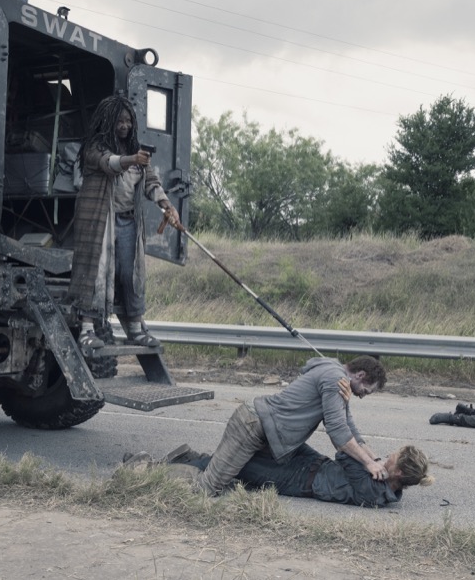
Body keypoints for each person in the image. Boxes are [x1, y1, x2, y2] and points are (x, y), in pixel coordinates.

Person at [66, 95, 182, 349]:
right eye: (120, 121)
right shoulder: (94, 147)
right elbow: (109, 164)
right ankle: (86, 330)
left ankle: (136, 329)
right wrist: (132, 160)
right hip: (100, 221)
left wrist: (167, 205)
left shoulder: (135, 149)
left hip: (128, 221)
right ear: (108, 121)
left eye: (128, 121)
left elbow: (151, 182)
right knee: (93, 273)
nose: (125, 126)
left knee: (131, 274)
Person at [194, 355, 387, 496]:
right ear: (360, 375)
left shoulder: (336, 376)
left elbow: (347, 425)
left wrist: (375, 459)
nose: (362, 395)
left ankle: (190, 461)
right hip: (252, 426)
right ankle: (170, 476)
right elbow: (338, 433)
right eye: (366, 391)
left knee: (230, 479)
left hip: (266, 432)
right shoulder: (334, 378)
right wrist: (368, 464)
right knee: (208, 488)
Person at [169, 442, 434, 508]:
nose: (387, 456)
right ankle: (195, 458)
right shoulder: (385, 483)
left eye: (392, 458)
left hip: (298, 480)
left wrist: (368, 460)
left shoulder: (374, 490)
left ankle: (167, 465)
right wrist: (371, 461)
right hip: (312, 463)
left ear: (398, 471)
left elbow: (343, 452)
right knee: (265, 442)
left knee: (240, 466)